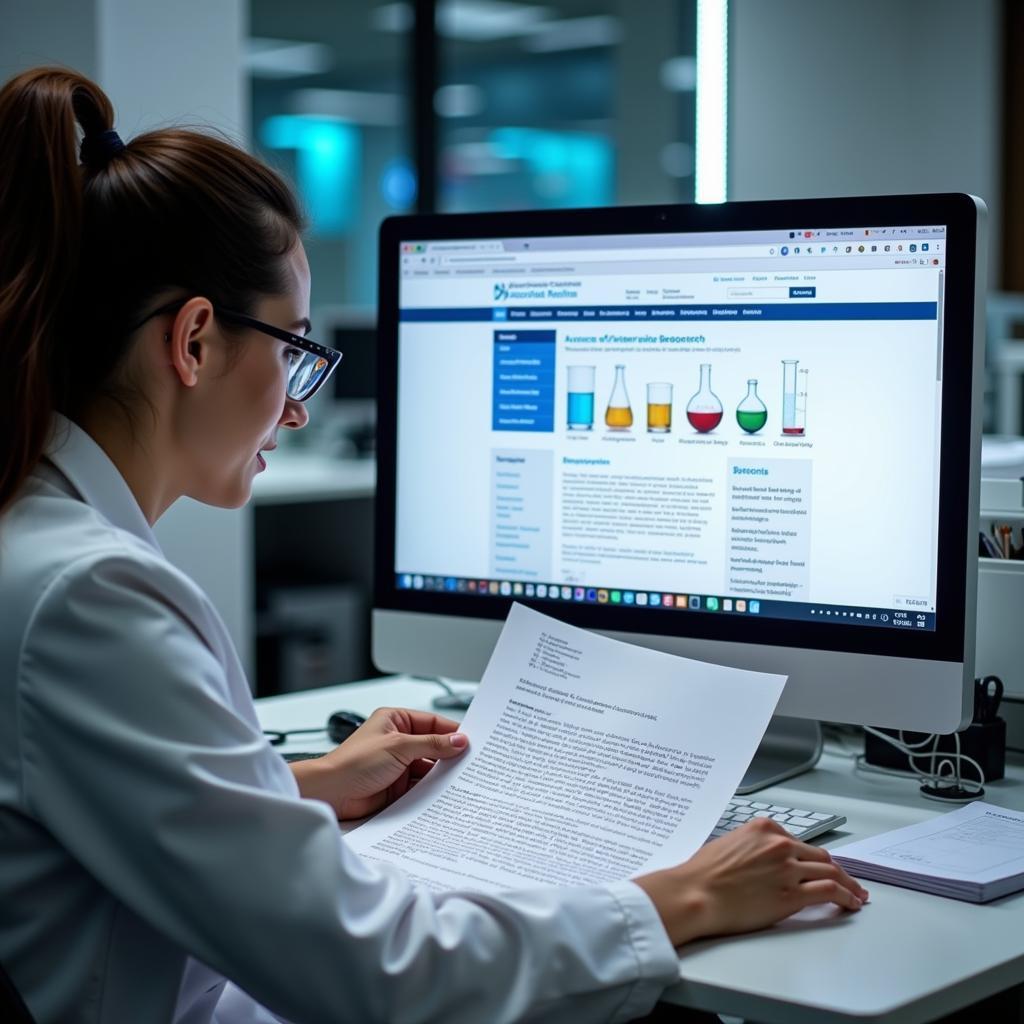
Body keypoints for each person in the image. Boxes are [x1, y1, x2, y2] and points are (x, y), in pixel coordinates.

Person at [0, 66, 868, 1024]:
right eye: (293, 346)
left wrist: (297, 787)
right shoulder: (92, 597)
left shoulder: (35, 536)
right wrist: (680, 899)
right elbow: (380, 972)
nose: (295, 404)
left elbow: (83, 793)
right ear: (195, 341)